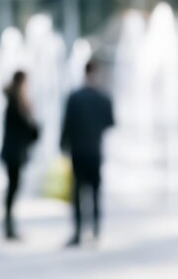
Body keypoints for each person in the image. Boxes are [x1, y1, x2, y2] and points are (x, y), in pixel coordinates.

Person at [61, 60, 114, 246]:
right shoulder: (103, 97)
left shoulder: (74, 97)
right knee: (95, 192)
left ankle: (77, 233)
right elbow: (111, 122)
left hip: (78, 151)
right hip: (95, 150)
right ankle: (96, 231)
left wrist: (63, 146)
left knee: (77, 193)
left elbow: (66, 125)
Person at [0, 70, 39, 239]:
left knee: (13, 188)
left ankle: (9, 224)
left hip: (13, 153)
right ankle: (9, 226)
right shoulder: (16, 104)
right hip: (14, 154)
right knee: (13, 188)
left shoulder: (13, 102)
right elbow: (27, 130)